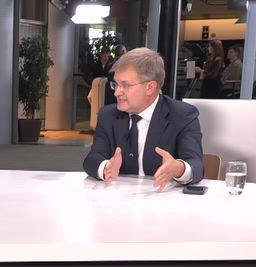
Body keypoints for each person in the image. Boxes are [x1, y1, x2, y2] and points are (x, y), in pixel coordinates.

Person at [82, 47, 204, 191]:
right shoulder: (108, 115)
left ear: (150, 87)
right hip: (117, 197)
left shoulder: (182, 115)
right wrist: (106, 167)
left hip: (162, 198)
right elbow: (92, 159)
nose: (116, 92)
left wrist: (178, 168)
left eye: (125, 85)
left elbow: (196, 165)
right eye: (115, 84)